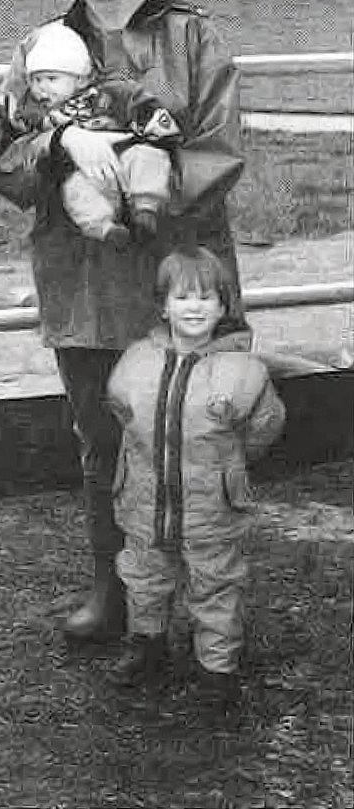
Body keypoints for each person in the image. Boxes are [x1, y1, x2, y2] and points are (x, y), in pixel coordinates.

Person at [0, 0, 245, 644]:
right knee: (103, 437)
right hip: (83, 277)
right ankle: (116, 591)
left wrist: (141, 170)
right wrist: (61, 149)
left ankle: (204, 599)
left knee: (196, 435)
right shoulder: (42, 46)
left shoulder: (192, 35)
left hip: (180, 272)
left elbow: (220, 148)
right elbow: (2, 157)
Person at [107, 247, 285, 701]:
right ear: (163, 305)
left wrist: (228, 469)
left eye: (207, 298)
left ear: (225, 307)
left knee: (216, 583)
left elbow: (263, 429)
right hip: (145, 503)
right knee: (144, 576)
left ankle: (217, 669)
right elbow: (122, 411)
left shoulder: (244, 371)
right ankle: (147, 647)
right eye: (183, 297)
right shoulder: (135, 361)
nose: (195, 307)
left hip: (212, 508)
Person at [0, 20, 181, 248]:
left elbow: (146, 109)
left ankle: (145, 210)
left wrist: (147, 135)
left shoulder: (112, 94)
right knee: (76, 191)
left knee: (148, 158)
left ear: (80, 78)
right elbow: (5, 138)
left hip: (125, 156)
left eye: (52, 79)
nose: (42, 88)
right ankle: (106, 230)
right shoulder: (35, 114)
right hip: (83, 174)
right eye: (35, 80)